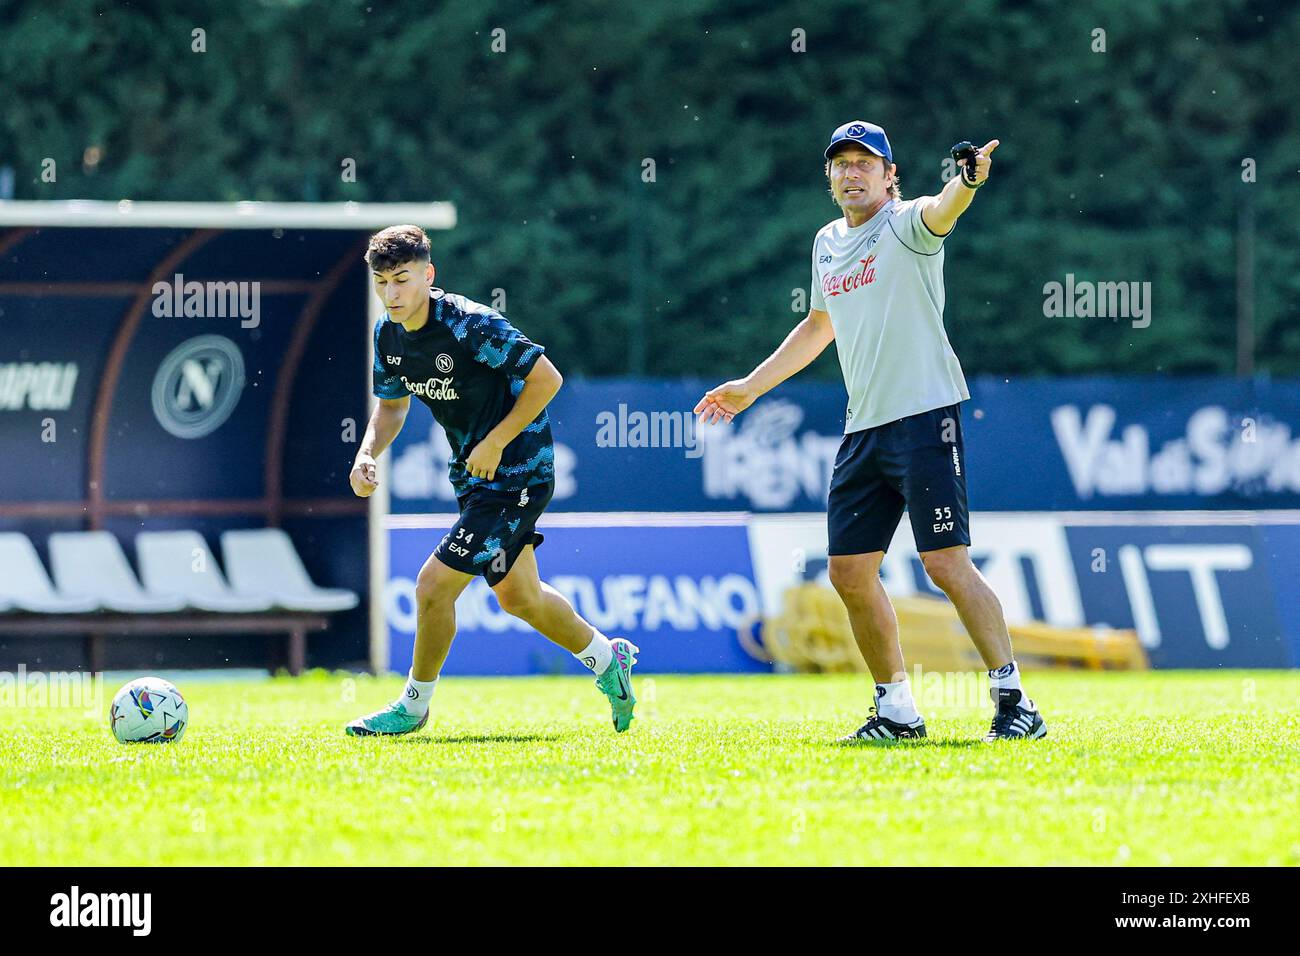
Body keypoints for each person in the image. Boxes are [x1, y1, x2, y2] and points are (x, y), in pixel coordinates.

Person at [695, 122, 1046, 742]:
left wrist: (967, 180)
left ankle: (1015, 700)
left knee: (945, 564)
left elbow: (945, 209)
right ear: (829, 177)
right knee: (849, 573)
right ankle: (897, 710)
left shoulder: (908, 225)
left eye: (866, 163)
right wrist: (751, 386)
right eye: (841, 164)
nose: (852, 172)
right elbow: (817, 326)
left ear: (890, 176)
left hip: (923, 415)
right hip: (865, 429)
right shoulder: (827, 242)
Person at [345, 224, 639, 736]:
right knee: (519, 597)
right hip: (475, 477)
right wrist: (367, 452)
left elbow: (548, 379)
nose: (392, 294)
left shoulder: (470, 324)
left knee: (433, 587)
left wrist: (499, 440)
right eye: (382, 282)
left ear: (427, 275)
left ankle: (413, 707)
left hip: (518, 472)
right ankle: (607, 658)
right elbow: (392, 406)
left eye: (402, 279)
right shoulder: (386, 336)